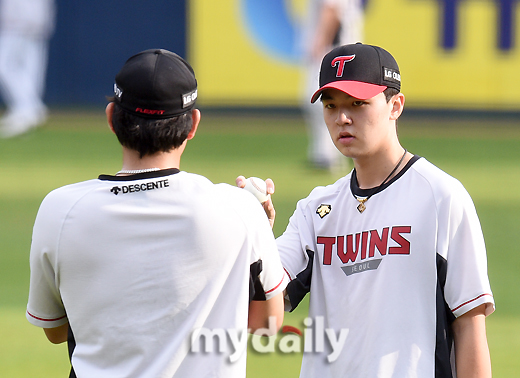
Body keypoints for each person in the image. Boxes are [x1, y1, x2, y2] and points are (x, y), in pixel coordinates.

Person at [26, 49, 287, 378]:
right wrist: (257, 232)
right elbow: (266, 325)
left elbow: (54, 330)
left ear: (111, 118)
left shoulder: (59, 209)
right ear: (193, 124)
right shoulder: (239, 209)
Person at [242, 43, 495, 377]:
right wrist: (254, 236)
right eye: (331, 106)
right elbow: (261, 321)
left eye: (358, 104)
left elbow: (469, 325)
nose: (343, 118)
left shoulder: (440, 198)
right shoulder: (316, 210)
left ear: (395, 106)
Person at [300, 0, 364, 171]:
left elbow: (331, 9)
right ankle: (324, 153)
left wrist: (320, 43)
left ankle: (328, 156)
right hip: (339, 50)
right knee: (328, 103)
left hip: (332, 52)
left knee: (319, 101)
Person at [0, 0, 55, 138]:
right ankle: (25, 111)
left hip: (18, 21)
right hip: (36, 21)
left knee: (6, 66)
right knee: (30, 71)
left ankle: (29, 108)